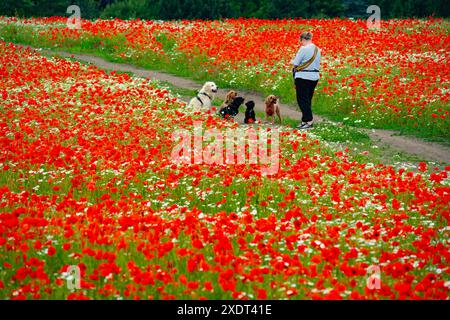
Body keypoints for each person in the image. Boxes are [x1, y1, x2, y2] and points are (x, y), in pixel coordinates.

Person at [292, 32, 321, 129]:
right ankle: (304, 121)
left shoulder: (303, 49)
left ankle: (309, 121)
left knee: (302, 100)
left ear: (303, 40)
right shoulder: (318, 49)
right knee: (307, 99)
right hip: (314, 76)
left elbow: (296, 63)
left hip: (303, 76)